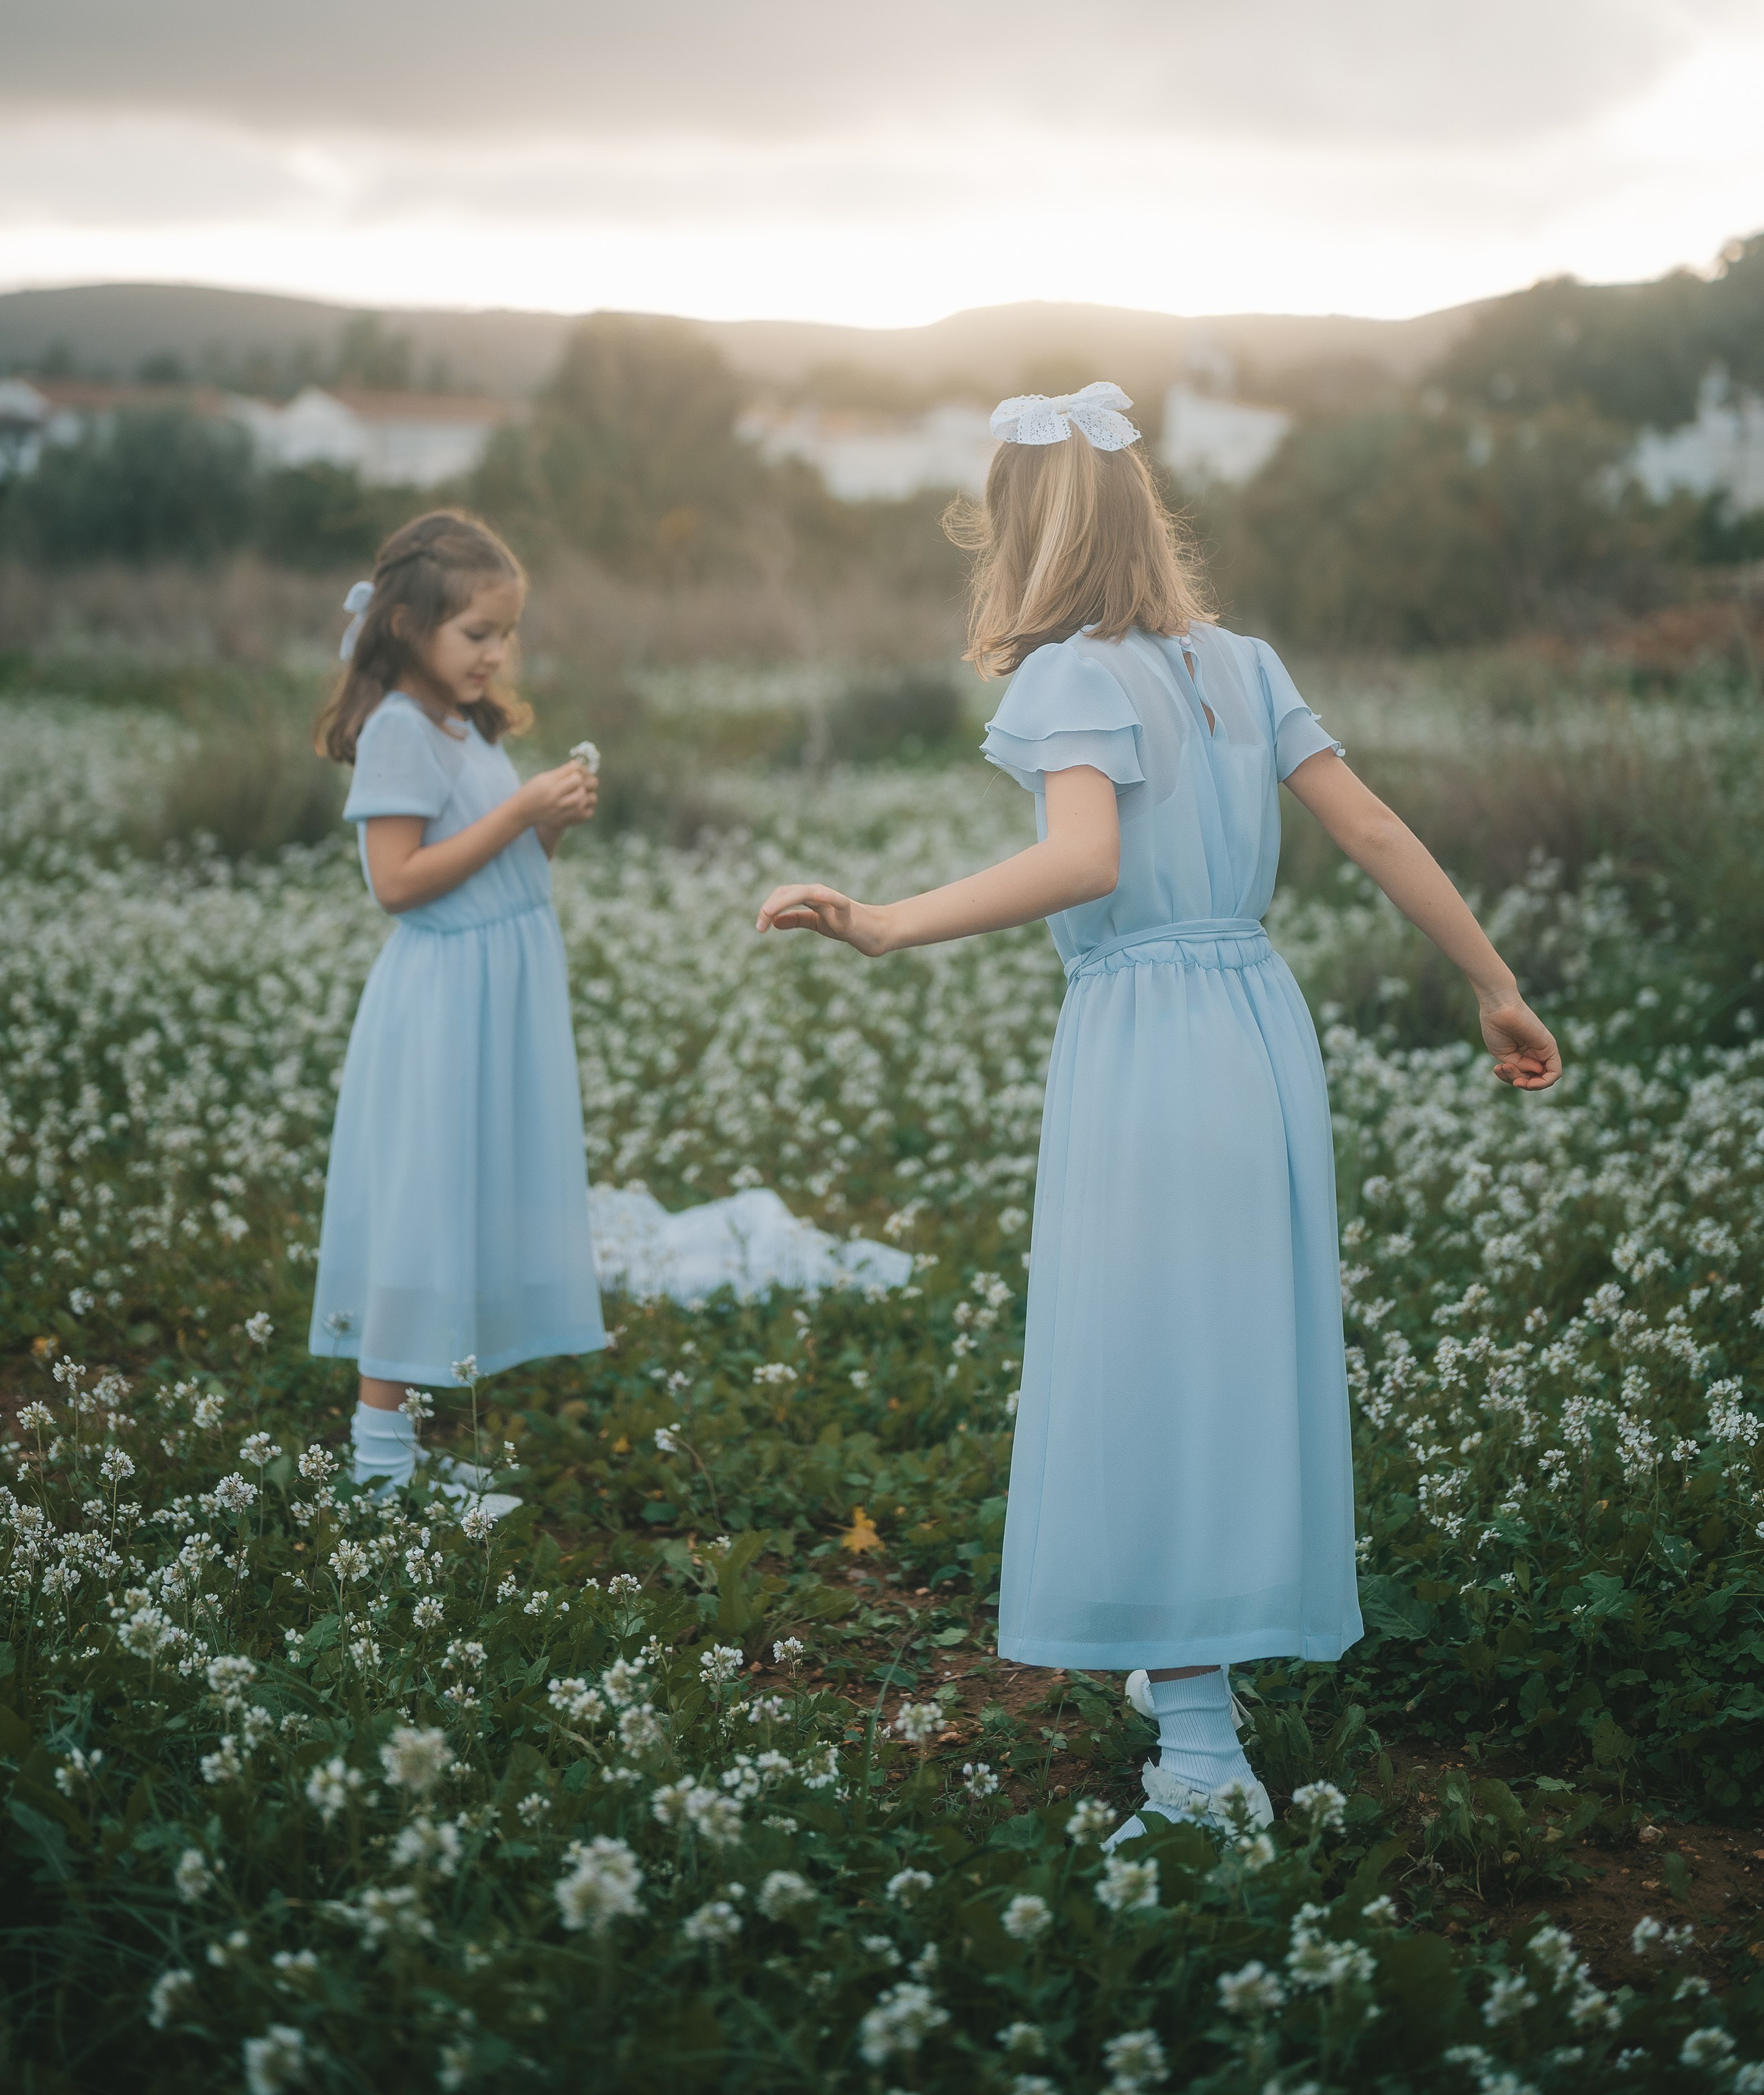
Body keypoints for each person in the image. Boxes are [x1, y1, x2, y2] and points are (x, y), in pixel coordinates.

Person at [755, 380, 1560, 1838]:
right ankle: (1194, 1675)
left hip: (1144, 1027)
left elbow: (1078, 863)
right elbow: (1368, 824)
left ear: (1022, 534)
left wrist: (882, 923)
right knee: (1229, 1346)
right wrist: (1491, 982)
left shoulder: (1067, 678)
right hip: (1254, 1022)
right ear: (1140, 511)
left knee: (1151, 1356)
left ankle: (1197, 1757)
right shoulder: (1241, 663)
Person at [307, 509, 606, 1503]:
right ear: (407, 628)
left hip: (502, 982)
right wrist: (523, 809)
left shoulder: (462, 726)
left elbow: (504, 869)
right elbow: (397, 882)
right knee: (420, 1209)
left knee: (465, 1201)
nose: (498, 653)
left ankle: (411, 1447)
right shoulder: (397, 729)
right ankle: (379, 1463)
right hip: (442, 997)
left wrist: (546, 822)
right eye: (477, 633)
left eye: (506, 633)